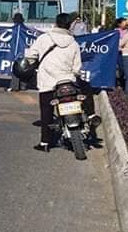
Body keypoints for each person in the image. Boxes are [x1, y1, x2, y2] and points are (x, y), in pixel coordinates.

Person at [26, 13, 98, 152]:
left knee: (46, 112)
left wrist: (32, 64)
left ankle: (44, 143)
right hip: (68, 81)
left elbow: (30, 56)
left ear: (55, 24)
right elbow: (77, 67)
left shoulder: (43, 38)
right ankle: (91, 115)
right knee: (86, 89)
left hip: (47, 82)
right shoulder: (73, 43)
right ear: (69, 26)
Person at [8, 12, 27, 92]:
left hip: (17, 52)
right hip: (24, 52)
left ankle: (14, 86)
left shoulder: (15, 29)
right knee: (23, 70)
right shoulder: (25, 28)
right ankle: (23, 86)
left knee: (15, 70)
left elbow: (14, 43)